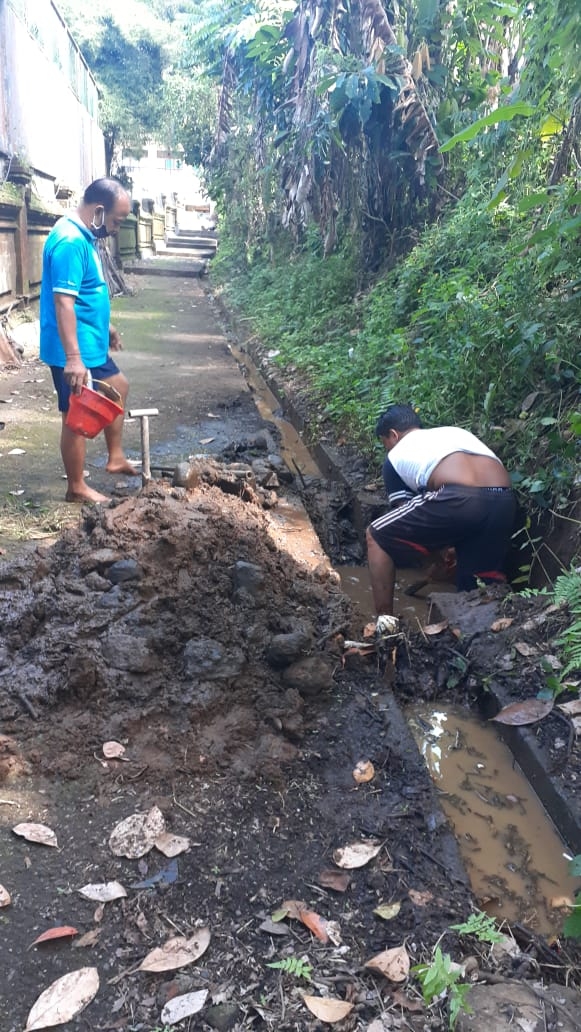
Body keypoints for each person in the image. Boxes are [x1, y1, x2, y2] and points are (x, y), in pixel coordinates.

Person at [366, 404, 516, 621]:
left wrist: (436, 559)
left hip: (458, 497)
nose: (387, 449)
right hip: (503, 500)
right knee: (476, 582)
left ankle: (385, 624)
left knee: (376, 535)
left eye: (385, 444)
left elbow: (408, 520)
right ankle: (485, 633)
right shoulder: (455, 434)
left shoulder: (395, 456)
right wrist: (447, 555)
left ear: (393, 435)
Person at [40, 177, 138, 503]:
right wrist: (73, 359)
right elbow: (64, 302)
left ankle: (115, 457)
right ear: (98, 211)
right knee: (75, 415)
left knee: (118, 385)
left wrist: (105, 326)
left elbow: (86, 293)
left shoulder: (85, 236)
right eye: (115, 221)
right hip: (73, 350)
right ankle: (77, 487)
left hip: (90, 342)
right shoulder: (70, 242)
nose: (115, 228)